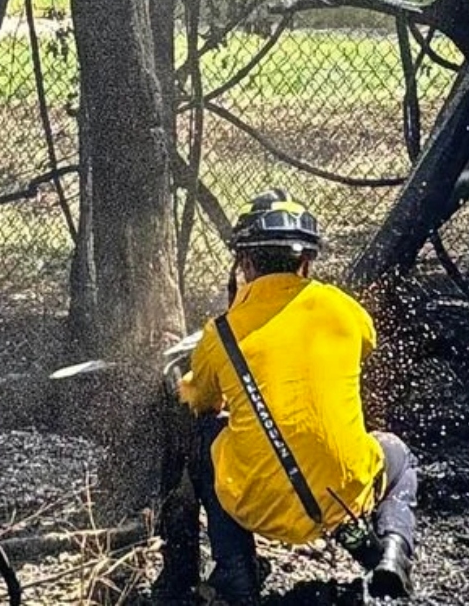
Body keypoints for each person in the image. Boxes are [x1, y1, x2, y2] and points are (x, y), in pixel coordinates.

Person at [178, 189, 419, 605]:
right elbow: (364, 342)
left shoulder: (220, 334)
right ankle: (392, 553)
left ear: (245, 263)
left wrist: (183, 379)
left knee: (205, 441)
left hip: (254, 505)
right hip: (346, 494)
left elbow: (201, 402)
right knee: (396, 454)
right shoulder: (344, 310)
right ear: (307, 261)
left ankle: (236, 572)